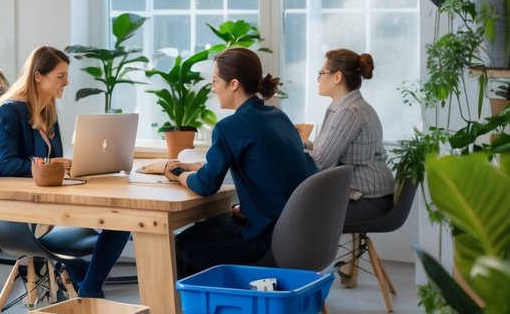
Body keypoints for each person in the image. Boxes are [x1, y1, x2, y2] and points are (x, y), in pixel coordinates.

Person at [0, 46, 130, 299]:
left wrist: (69, 166)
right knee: (118, 225)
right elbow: (5, 165)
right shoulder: (8, 112)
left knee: (122, 222)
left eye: (66, 75)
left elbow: (54, 161)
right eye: (60, 76)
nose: (67, 81)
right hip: (23, 211)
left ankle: (85, 284)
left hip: (52, 201)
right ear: (38, 76)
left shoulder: (48, 113)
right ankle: (88, 289)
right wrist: (52, 165)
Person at [166, 47, 318, 278]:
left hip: (266, 240)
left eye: (215, 81)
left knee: (181, 246)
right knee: (206, 229)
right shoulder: (278, 116)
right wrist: (250, 209)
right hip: (294, 232)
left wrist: (176, 172)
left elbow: (206, 185)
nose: (213, 87)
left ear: (234, 84)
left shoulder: (229, 127)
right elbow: (279, 175)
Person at [303, 48, 396, 224]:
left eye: (321, 73)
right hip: (369, 195)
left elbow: (321, 161)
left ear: (337, 77)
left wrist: (286, 152)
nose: (317, 79)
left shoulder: (349, 111)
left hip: (370, 199)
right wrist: (301, 144)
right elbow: (322, 148)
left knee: (300, 216)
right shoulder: (347, 106)